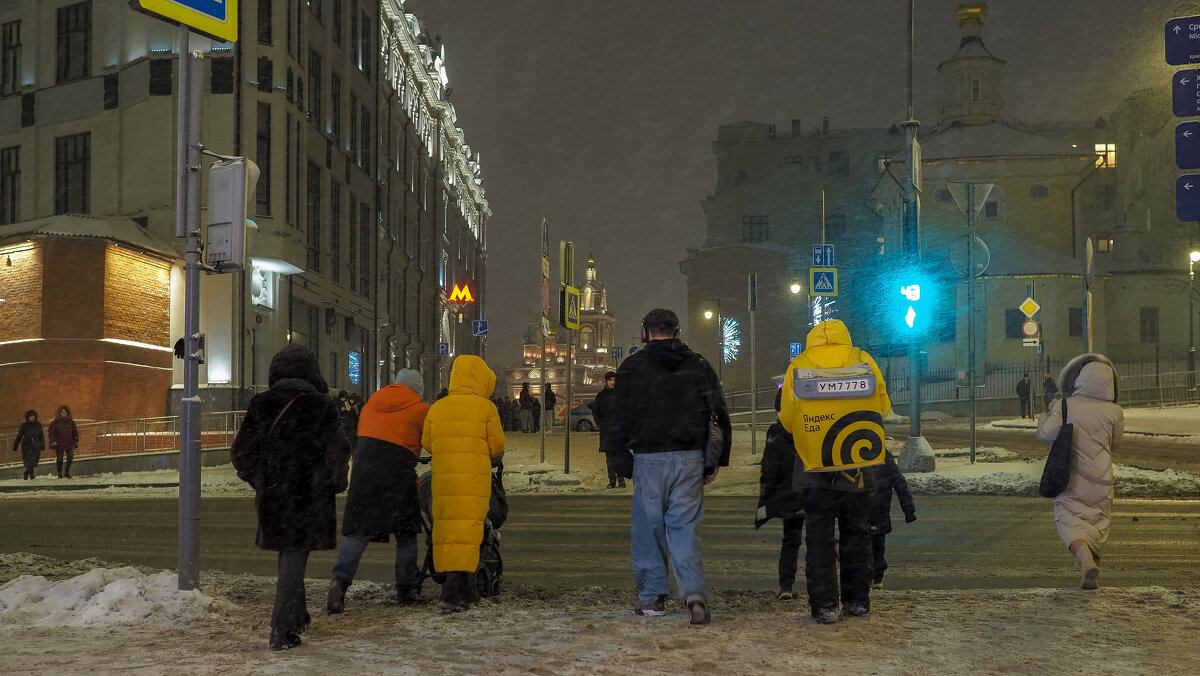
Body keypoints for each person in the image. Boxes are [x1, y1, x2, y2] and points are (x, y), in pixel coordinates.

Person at [603, 308, 731, 626]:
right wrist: (715, 460)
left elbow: (616, 418)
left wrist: (620, 458)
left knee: (649, 530)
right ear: (677, 331)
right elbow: (718, 412)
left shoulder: (632, 367)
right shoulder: (698, 365)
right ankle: (694, 597)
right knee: (684, 528)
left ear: (647, 331)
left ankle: (652, 598)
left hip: (647, 458)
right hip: (690, 457)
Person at [230, 345, 352, 651]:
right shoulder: (321, 406)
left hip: (274, 496)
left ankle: (298, 616)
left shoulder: (261, 405)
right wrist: (334, 482)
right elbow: (338, 451)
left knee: (288, 555)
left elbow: (241, 454)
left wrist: (261, 481)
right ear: (312, 372)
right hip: (309, 494)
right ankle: (281, 627)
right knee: (295, 557)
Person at [780, 319, 890, 624]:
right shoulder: (862, 360)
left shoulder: (799, 364)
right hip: (854, 460)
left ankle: (825, 605)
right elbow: (881, 406)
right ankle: (857, 602)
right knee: (856, 532)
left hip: (814, 465)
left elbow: (788, 417)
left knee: (818, 536)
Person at [327, 369, 431, 613]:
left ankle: (338, 583)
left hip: (364, 473)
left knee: (358, 533)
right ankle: (406, 590)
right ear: (418, 390)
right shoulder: (421, 410)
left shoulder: (372, 403)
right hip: (398, 474)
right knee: (405, 534)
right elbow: (431, 441)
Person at [421, 354, 506, 614]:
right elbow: (497, 446)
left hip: (444, 478)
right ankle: (450, 596)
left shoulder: (438, 407)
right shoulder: (485, 408)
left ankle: (465, 591)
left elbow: (427, 442)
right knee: (469, 533)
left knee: (448, 533)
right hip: (473, 480)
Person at [1037, 353, 1124, 590]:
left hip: (1072, 478)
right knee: (1097, 525)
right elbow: (1115, 445)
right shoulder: (1114, 411)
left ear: (1080, 380)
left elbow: (1046, 434)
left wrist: (1046, 414)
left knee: (1067, 520)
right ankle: (1090, 574)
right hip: (1102, 480)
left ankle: (1084, 560)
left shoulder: (1066, 405)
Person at [754, 387, 805, 601]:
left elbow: (769, 468)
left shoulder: (775, 433)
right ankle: (821, 586)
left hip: (789, 496)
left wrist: (765, 495)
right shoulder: (811, 428)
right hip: (813, 492)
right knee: (821, 538)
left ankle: (786, 586)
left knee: (790, 541)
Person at [866, 450, 916, 589]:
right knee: (877, 545)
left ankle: (869, 577)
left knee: (862, 544)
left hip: (860, 510)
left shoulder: (852, 451)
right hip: (879, 510)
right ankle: (876, 578)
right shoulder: (884, 455)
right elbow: (900, 483)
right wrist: (908, 510)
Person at [590, 371, 625, 489]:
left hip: (620, 431)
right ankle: (612, 480)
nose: (613, 382)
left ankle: (621, 480)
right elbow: (595, 411)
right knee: (610, 459)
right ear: (606, 381)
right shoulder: (601, 396)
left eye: (614, 380)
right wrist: (600, 423)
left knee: (620, 457)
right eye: (610, 380)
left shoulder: (621, 395)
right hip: (607, 431)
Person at [47, 405, 80, 479]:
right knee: (60, 458)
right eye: (62, 412)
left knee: (70, 457)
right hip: (59, 443)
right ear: (60, 413)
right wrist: (53, 441)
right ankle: (59, 473)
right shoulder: (55, 423)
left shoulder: (71, 422)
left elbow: (75, 431)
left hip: (69, 442)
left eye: (65, 412)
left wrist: (76, 440)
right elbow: (51, 433)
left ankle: (67, 472)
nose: (64, 413)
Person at [12, 410, 45, 480]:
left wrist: (42, 445)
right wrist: (15, 446)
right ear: (28, 417)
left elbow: (41, 436)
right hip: (27, 446)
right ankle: (32, 475)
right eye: (31, 417)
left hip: (36, 446)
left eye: (33, 416)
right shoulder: (24, 425)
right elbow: (19, 436)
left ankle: (26, 473)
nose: (32, 418)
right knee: (29, 461)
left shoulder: (38, 425)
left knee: (34, 461)